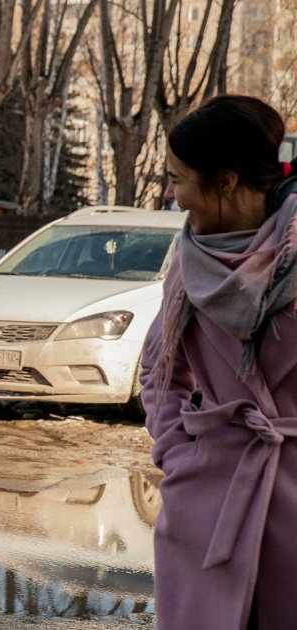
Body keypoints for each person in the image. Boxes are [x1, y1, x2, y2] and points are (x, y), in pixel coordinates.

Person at [142, 94, 297, 630]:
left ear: (226, 181)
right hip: (207, 502)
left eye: (177, 178)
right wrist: (177, 454)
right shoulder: (188, 266)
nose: (171, 194)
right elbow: (159, 371)